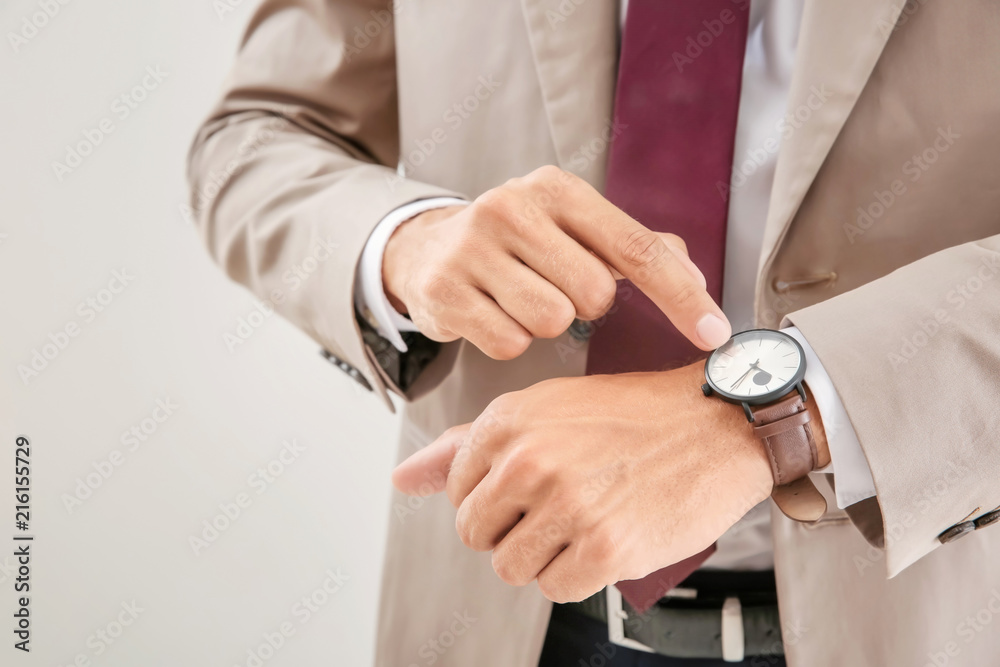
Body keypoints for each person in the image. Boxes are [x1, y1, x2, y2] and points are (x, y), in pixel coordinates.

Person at [187, 0, 1000, 665]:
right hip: (499, 614)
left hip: (932, 612)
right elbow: (256, 137)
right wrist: (405, 239)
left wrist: (783, 417)